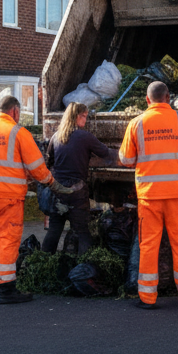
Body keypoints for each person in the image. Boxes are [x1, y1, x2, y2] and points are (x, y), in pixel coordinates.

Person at [0, 95, 75, 304]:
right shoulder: (18, 133)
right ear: (15, 112)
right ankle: (6, 288)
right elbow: (36, 166)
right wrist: (51, 183)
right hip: (8, 197)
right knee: (8, 241)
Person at [119, 80, 178, 309]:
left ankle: (147, 298)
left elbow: (126, 160)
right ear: (168, 97)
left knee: (148, 245)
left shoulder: (136, 123)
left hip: (149, 196)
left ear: (148, 100)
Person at [41, 102, 113, 255]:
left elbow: (48, 162)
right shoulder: (85, 137)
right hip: (76, 192)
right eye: (84, 116)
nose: (85, 120)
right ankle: (83, 268)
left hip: (58, 191)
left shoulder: (56, 136)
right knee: (82, 231)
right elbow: (105, 152)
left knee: (54, 229)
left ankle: (44, 259)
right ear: (76, 116)